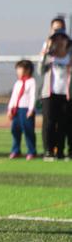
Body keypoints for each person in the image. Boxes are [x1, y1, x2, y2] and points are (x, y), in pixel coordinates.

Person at [39, 31, 71, 160]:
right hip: (50, 94)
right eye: (56, 39)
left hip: (67, 94)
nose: (59, 42)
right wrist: (46, 51)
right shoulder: (49, 57)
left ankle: (61, 152)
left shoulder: (70, 57)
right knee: (50, 123)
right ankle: (49, 150)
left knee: (65, 123)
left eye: (62, 39)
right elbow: (40, 70)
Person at [7, 60, 37, 160]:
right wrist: (10, 109)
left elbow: (33, 96)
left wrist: (31, 109)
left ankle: (31, 151)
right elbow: (14, 96)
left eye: (20, 69)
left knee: (28, 130)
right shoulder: (18, 83)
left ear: (28, 70)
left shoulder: (32, 82)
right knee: (15, 130)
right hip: (17, 109)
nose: (18, 72)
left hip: (26, 109)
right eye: (17, 70)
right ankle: (16, 150)